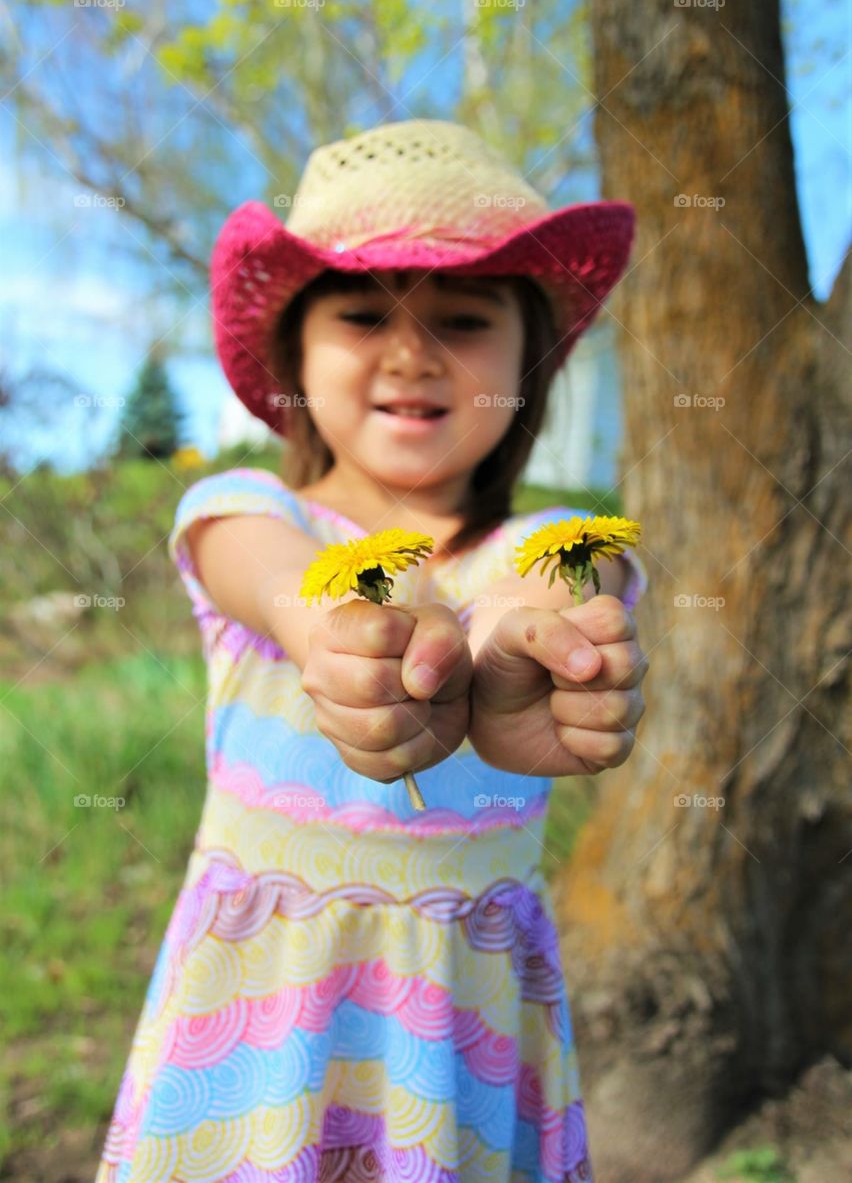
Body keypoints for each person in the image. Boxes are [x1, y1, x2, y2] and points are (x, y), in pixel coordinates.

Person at [94, 118, 649, 1183]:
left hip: (460, 1048)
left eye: (464, 316)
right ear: (293, 351)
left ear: (525, 360)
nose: (411, 350)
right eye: (362, 312)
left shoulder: (554, 542)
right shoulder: (247, 510)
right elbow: (288, 586)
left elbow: (555, 590)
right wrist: (345, 640)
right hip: (259, 1041)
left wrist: (516, 654)